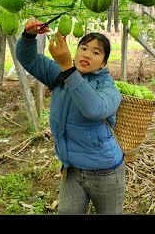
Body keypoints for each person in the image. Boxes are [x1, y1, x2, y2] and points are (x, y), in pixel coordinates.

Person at [15, 17, 125, 214]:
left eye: (96, 52)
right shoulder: (59, 73)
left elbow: (94, 109)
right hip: (72, 169)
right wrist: (28, 37)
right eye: (83, 48)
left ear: (103, 64)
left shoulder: (108, 89)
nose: (87, 54)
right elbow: (28, 59)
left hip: (106, 171)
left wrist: (68, 67)